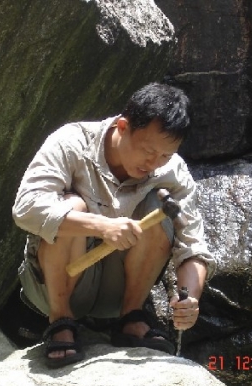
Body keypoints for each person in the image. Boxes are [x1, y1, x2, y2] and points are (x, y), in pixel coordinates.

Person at [12, 82, 215, 368]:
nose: (154, 163)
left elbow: (192, 245)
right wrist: (100, 226)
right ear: (123, 126)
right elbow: (25, 209)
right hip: (57, 282)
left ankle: (131, 317)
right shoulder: (72, 142)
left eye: (165, 155)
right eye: (148, 150)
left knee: (158, 209)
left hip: (118, 291)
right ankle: (60, 320)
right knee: (71, 206)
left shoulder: (172, 171)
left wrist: (189, 299)